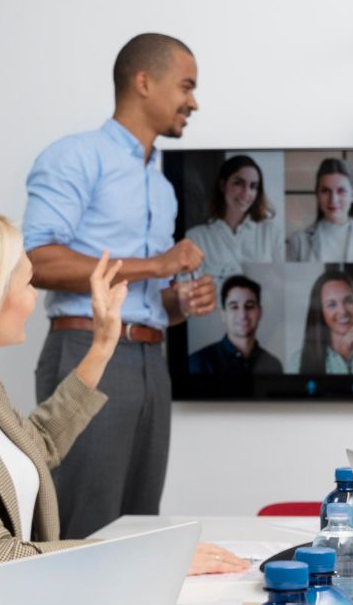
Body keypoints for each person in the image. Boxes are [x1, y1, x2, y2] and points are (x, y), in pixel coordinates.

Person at [0, 205, 252, 605]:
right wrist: (150, 556)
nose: (35, 298)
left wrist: (102, 345)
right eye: (27, 283)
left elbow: (36, 444)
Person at [22, 32, 218, 540]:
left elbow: (147, 298)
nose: (194, 102)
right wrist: (156, 265)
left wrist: (180, 302)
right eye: (187, 87)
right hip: (88, 352)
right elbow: (36, 260)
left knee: (138, 527)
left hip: (152, 360)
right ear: (144, 82)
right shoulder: (75, 157)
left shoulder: (161, 185)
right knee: (84, 527)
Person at [184, 154, 282, 282]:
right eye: (238, 183)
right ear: (222, 185)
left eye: (253, 186)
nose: (246, 193)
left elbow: (281, 284)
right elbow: (187, 288)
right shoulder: (196, 238)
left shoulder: (272, 233)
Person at [286, 157, 353, 262]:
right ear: (317, 195)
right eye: (325, 191)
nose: (333, 199)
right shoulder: (298, 241)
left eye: (341, 191)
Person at [187, 274, 284, 378]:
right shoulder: (199, 363)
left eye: (250, 306)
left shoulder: (273, 365)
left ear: (260, 312)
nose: (243, 315)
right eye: (234, 307)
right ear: (223, 314)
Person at [298, 267, 353, 374]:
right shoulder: (298, 361)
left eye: (349, 300)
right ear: (320, 311)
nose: (343, 311)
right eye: (331, 304)